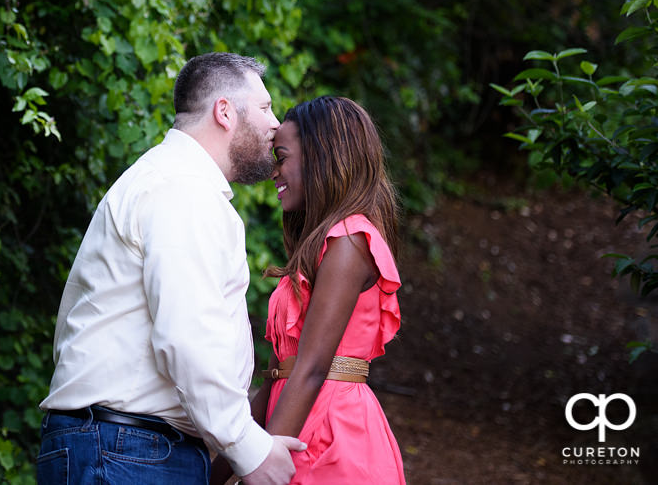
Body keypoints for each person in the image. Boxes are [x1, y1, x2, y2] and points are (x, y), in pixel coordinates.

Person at [38, 52, 306, 485]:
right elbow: (186, 336)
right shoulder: (182, 190)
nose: (274, 123)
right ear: (224, 112)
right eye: (264, 108)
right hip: (126, 452)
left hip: (119, 446)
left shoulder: (164, 180)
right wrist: (250, 450)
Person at [214, 95, 406, 484]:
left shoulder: (350, 240)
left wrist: (259, 470)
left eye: (281, 156)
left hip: (333, 439)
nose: (274, 172)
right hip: (293, 426)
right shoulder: (321, 247)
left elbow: (313, 367)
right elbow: (278, 376)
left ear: (321, 155)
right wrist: (218, 473)